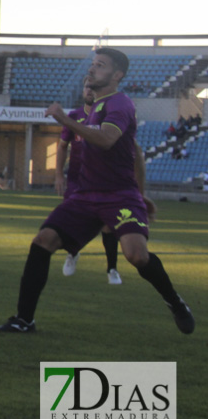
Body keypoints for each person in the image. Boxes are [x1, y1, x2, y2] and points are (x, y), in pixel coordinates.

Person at [0, 48, 194, 334]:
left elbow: (108, 140)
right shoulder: (89, 111)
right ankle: (24, 319)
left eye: (100, 66)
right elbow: (131, 152)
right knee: (43, 240)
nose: (92, 69)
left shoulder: (120, 104)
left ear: (116, 76)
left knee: (136, 255)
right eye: (92, 64)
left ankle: (175, 302)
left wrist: (138, 193)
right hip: (85, 197)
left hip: (119, 196)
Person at [55, 79, 152, 285]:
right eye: (86, 87)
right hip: (78, 181)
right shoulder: (74, 117)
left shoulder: (110, 114)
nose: (89, 90)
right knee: (73, 224)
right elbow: (63, 146)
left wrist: (139, 191)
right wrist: (58, 175)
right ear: (82, 91)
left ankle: (112, 269)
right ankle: (73, 253)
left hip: (106, 181)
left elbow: (135, 151)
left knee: (110, 225)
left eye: (92, 86)